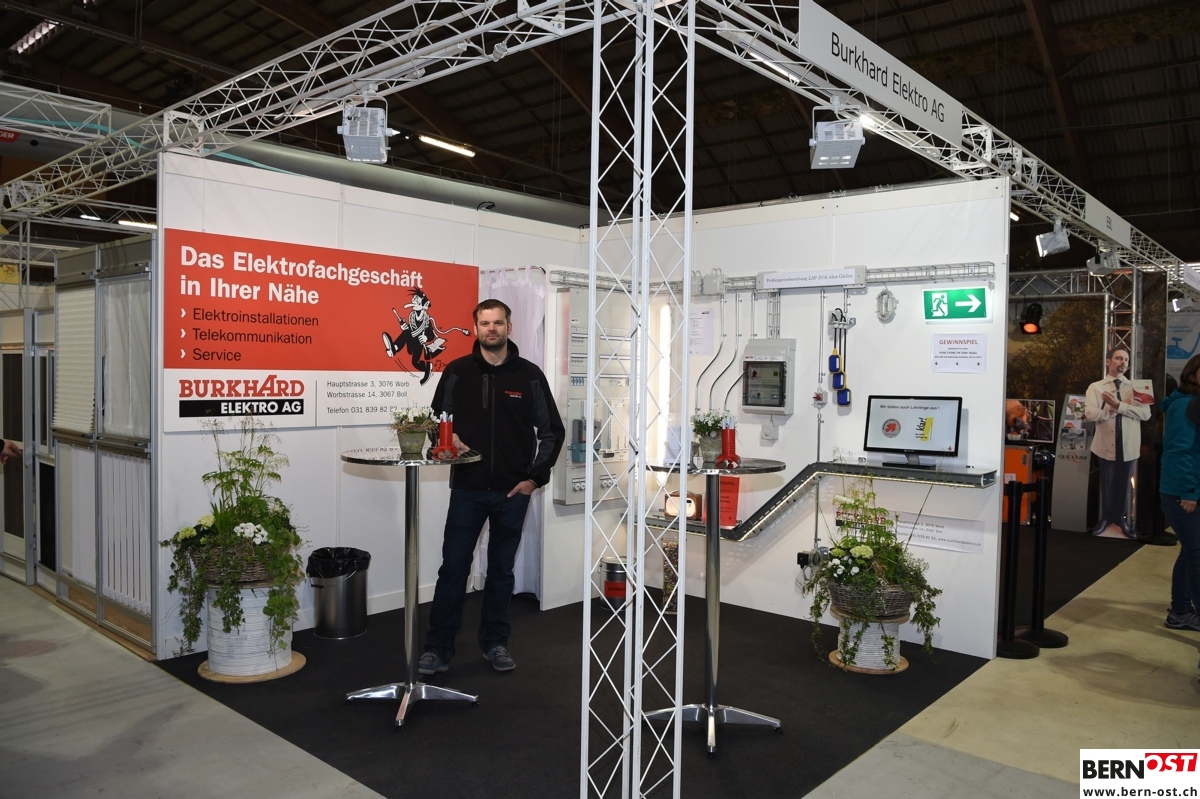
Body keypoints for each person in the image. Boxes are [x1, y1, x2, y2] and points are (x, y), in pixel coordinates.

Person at [418, 299, 565, 674]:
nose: (492, 329)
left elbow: (552, 431)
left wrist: (534, 478)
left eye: (498, 323)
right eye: (485, 323)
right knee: (453, 569)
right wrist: (447, 440)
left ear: (509, 327)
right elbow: (436, 422)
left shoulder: (529, 375)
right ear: (476, 328)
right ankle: (438, 649)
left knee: (501, 571)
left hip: (512, 493)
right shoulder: (457, 372)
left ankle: (495, 643)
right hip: (467, 490)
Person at [1084, 347, 1150, 538]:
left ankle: (1120, 518)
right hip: (1105, 444)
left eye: (1126, 360)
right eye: (1119, 358)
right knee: (1107, 483)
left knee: (1123, 484)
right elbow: (1090, 414)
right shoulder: (1096, 387)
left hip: (1128, 444)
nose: (1123, 362)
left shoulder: (1138, 387)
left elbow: (1145, 414)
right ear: (1108, 361)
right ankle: (1106, 518)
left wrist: (1119, 405)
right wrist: (1112, 409)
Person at [1159, 353, 1200, 634]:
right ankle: (1181, 611)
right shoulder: (1186, 405)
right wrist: (1188, 491)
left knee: (1190, 551)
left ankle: (1180, 611)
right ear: (1192, 373)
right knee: (1196, 555)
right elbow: (1180, 451)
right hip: (1182, 493)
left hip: (1189, 489)